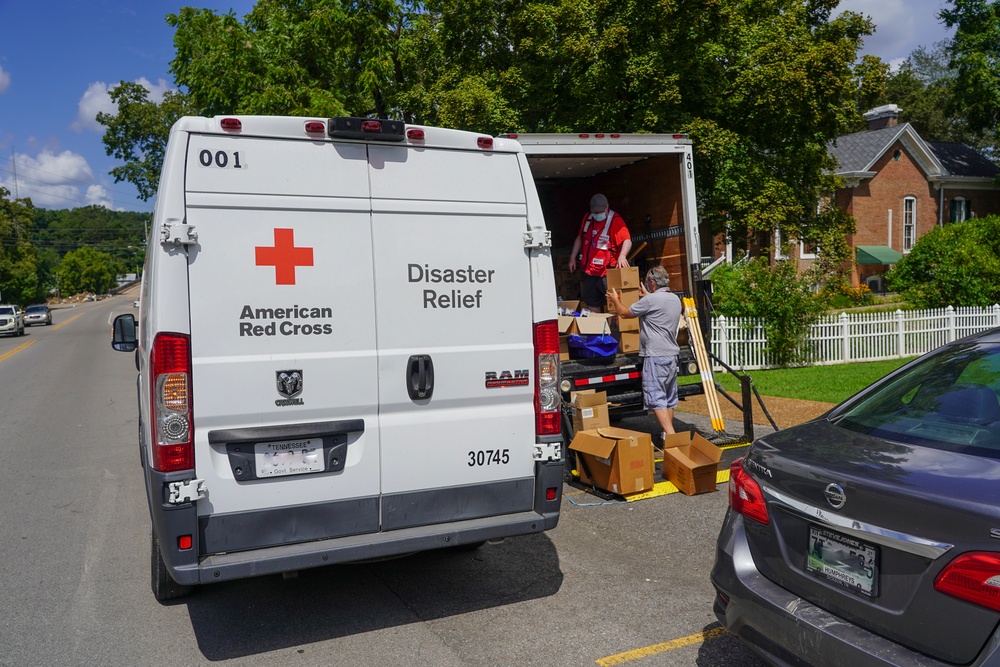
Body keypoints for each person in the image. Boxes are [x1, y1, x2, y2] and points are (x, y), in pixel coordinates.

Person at [606, 265, 685, 438]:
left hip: (655, 356)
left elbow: (625, 313)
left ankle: (672, 438)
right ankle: (667, 437)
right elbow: (658, 303)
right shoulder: (675, 300)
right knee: (668, 399)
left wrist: (614, 299)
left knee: (656, 398)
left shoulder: (650, 301)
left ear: (651, 283)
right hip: (671, 356)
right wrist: (648, 296)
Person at [568, 193, 632, 312]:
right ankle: (597, 329)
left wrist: (622, 256)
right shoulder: (588, 218)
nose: (597, 215)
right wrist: (572, 257)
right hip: (590, 272)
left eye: (600, 212)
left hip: (607, 272)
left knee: (614, 302)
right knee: (592, 302)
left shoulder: (615, 220)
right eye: (595, 212)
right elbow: (580, 238)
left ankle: (614, 329)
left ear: (607, 206)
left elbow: (627, 240)